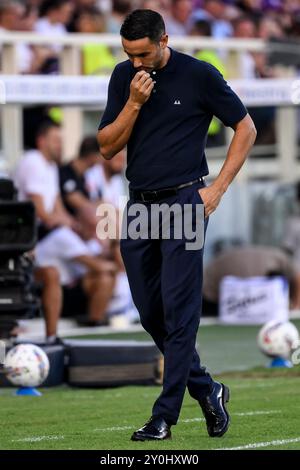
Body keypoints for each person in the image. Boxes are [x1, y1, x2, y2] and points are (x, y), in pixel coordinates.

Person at [97, 9, 256, 441]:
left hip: (186, 202)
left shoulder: (199, 75)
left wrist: (218, 188)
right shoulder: (124, 78)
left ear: (164, 39)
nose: (136, 63)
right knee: (151, 313)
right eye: (129, 54)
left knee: (180, 315)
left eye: (143, 53)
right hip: (137, 210)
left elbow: (245, 127)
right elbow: (108, 147)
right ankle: (208, 390)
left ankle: (164, 416)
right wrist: (133, 102)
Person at [202, 245, 300, 316]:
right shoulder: (279, 260)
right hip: (213, 292)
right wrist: (296, 306)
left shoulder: (277, 259)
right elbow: (297, 277)